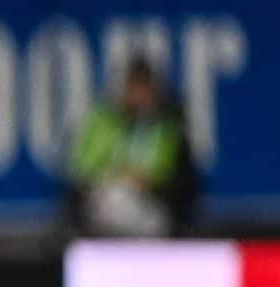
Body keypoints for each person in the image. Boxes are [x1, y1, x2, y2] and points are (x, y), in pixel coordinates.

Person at [66, 59, 198, 236]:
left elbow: (169, 171)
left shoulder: (166, 124)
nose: (141, 96)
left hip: (150, 201)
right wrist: (117, 174)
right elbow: (82, 167)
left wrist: (144, 179)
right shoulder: (104, 119)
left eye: (146, 90)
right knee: (112, 198)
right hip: (103, 198)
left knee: (152, 221)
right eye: (135, 89)